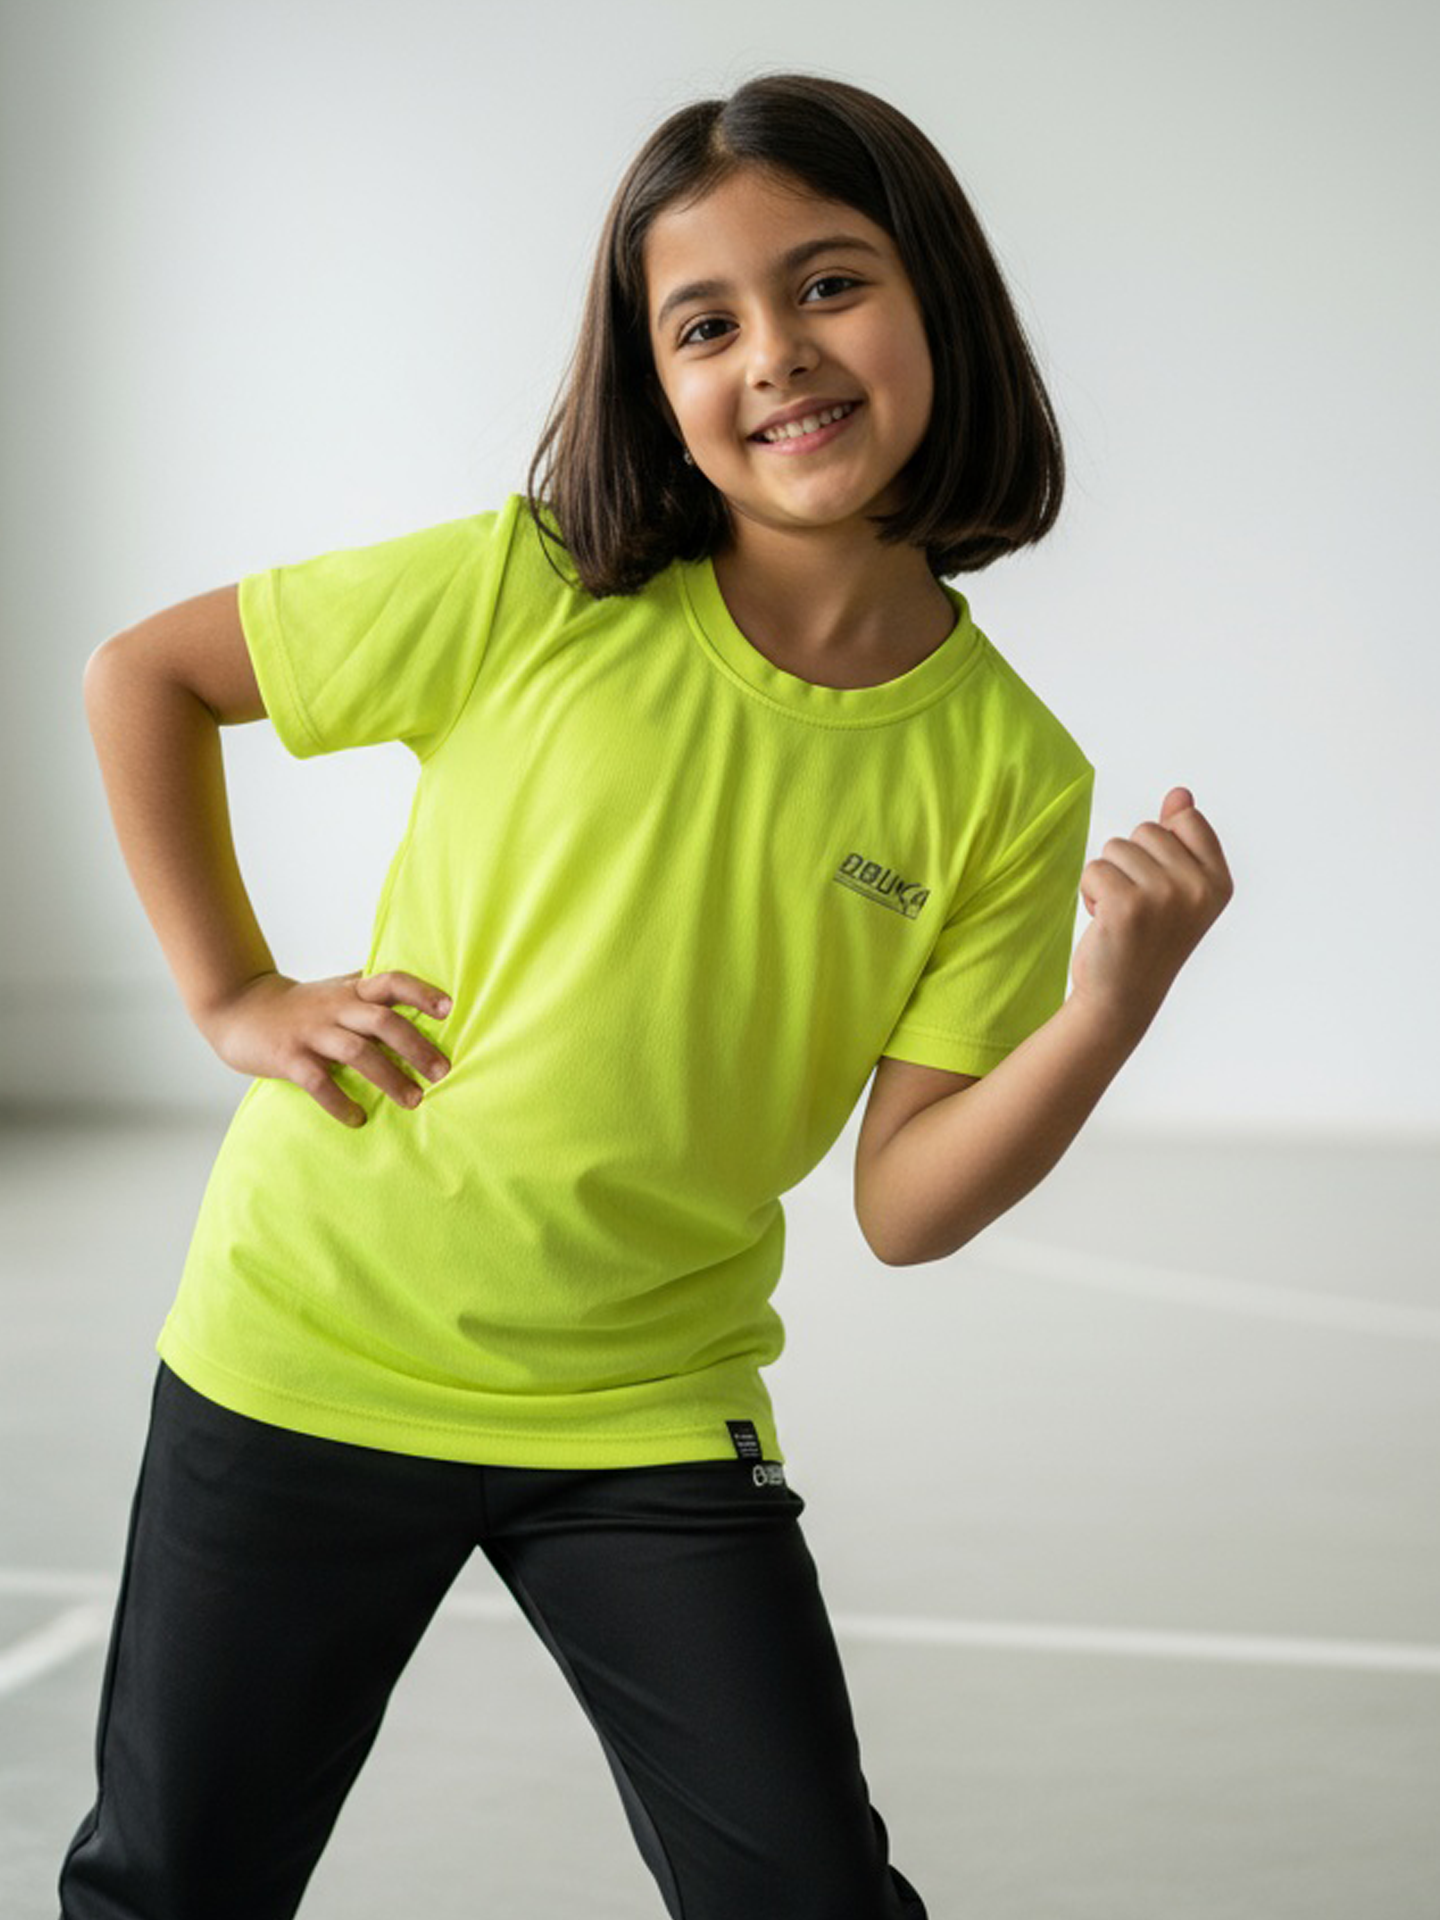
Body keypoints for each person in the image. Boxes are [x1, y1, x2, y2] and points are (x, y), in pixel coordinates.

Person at [62, 68, 1233, 1920]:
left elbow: (906, 1202)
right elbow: (150, 675)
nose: (776, 352)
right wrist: (235, 995)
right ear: (656, 379)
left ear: (939, 298)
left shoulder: (1011, 773)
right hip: (307, 1350)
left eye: (829, 283)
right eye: (708, 322)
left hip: (643, 1408)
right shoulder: (541, 586)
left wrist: (1104, 1009)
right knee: (174, 1885)